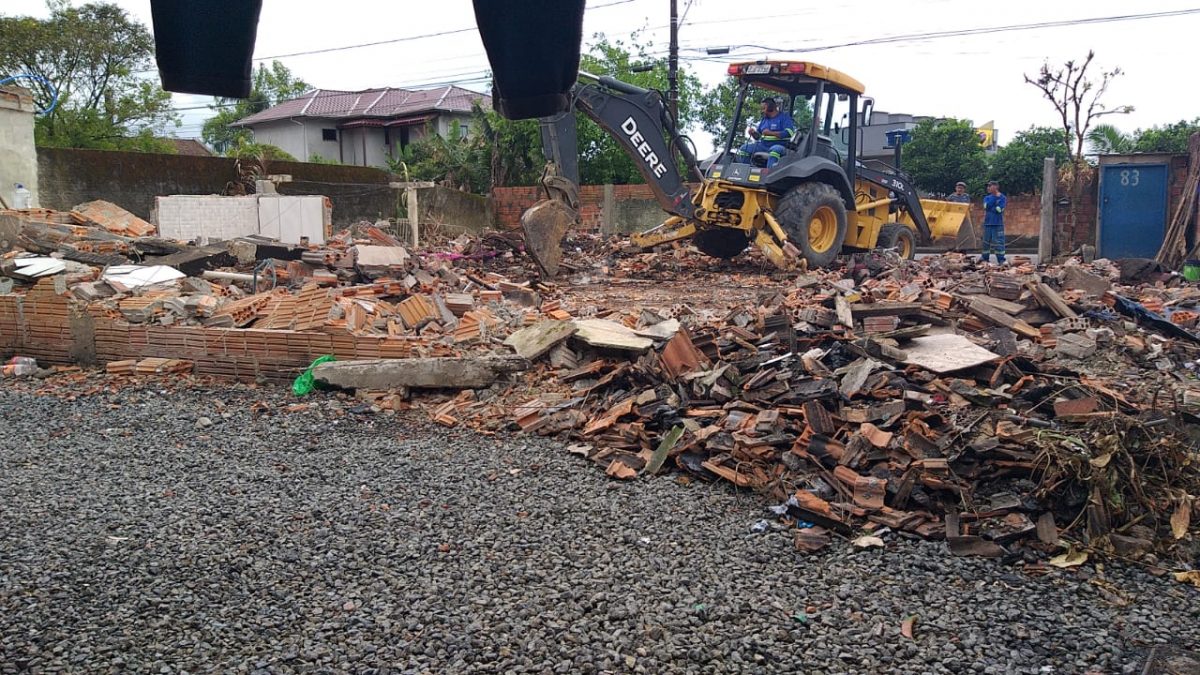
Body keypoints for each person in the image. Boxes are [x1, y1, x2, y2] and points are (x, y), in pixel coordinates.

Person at [737, 96, 796, 168]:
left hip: (779, 145)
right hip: (763, 145)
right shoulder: (764, 120)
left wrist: (770, 133)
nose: (762, 111)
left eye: (764, 108)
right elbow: (758, 137)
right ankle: (747, 171)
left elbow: (789, 133)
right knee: (744, 148)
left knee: (775, 150)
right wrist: (753, 133)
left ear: (771, 107)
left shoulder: (784, 117)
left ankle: (769, 175)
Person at [981, 180, 1007, 264]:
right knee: (986, 242)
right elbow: (986, 206)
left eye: (990, 186)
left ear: (996, 187)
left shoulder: (1003, 197)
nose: (988, 188)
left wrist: (993, 207)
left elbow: (999, 210)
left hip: (997, 224)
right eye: (988, 186)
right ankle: (985, 259)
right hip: (987, 223)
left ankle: (1001, 260)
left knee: (998, 242)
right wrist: (995, 199)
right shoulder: (987, 198)